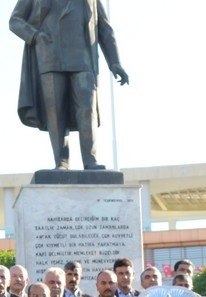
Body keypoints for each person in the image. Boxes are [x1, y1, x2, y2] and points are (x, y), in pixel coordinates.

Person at [11, 0, 129, 170]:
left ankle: (90, 160)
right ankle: (61, 162)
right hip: (50, 57)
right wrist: (36, 36)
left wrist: (115, 62)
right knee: (55, 113)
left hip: (82, 58)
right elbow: (15, 21)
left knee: (87, 109)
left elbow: (104, 28)